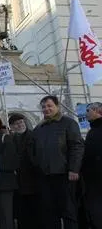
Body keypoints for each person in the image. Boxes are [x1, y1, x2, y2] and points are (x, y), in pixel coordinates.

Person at [32, 96, 84, 229]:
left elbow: (76, 146)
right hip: (45, 175)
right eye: (43, 107)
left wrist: (74, 169)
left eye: (49, 106)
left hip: (64, 173)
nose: (46, 109)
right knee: (49, 212)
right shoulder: (39, 128)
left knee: (68, 211)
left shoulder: (68, 123)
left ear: (57, 106)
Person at [9, 113, 39, 229]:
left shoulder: (33, 136)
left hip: (33, 179)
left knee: (35, 211)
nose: (20, 125)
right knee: (22, 213)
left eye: (21, 122)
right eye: (16, 124)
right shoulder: (11, 139)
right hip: (19, 181)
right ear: (11, 127)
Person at [81, 102, 102, 229]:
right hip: (93, 179)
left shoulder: (96, 131)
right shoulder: (93, 130)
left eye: (88, 111)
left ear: (96, 110)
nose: (86, 114)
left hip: (97, 178)